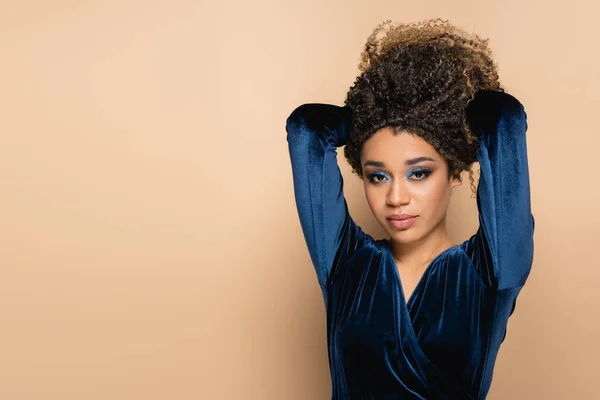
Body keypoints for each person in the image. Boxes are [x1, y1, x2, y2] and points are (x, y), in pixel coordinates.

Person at [285, 18, 534, 399]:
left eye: (418, 173)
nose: (396, 197)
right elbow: (307, 128)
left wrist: (446, 122)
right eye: (378, 176)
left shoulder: (490, 273)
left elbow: (504, 119)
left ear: (454, 172)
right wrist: (373, 119)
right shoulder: (345, 264)